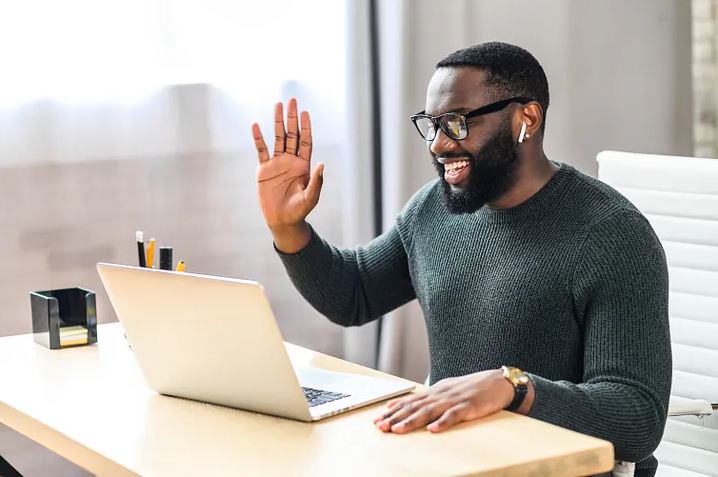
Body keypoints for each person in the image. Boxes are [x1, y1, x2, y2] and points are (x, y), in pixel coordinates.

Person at [251, 42, 671, 476]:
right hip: (456, 459)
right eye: (432, 125)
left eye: (456, 123)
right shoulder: (434, 207)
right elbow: (353, 294)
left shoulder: (610, 234)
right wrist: (289, 228)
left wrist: (512, 387)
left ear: (525, 119)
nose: (437, 145)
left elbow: (637, 418)